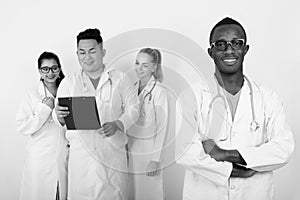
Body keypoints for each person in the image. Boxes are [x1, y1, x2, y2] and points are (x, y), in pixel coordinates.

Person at [176, 17, 294, 200]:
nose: (229, 50)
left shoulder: (267, 97)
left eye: (236, 43)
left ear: (245, 49)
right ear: (211, 51)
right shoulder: (190, 96)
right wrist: (230, 171)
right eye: (221, 44)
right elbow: (185, 152)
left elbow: (283, 148)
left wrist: (223, 154)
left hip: (255, 193)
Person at [54, 28, 139, 200]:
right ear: (77, 54)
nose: (87, 57)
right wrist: (59, 115)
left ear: (103, 51)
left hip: (112, 156)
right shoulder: (68, 83)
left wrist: (118, 124)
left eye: (92, 51)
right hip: (81, 158)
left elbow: (134, 109)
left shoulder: (120, 79)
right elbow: (59, 118)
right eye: (82, 52)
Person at [16, 51, 68, 200]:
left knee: (60, 193)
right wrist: (44, 110)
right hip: (40, 158)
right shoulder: (32, 94)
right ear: (39, 71)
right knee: (39, 194)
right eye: (45, 69)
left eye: (54, 68)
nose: (50, 73)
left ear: (59, 69)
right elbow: (22, 125)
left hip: (63, 154)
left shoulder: (67, 90)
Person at [127, 48, 169, 200]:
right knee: (133, 192)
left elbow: (163, 128)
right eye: (137, 63)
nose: (139, 68)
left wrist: (155, 159)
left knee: (149, 193)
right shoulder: (131, 88)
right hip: (131, 149)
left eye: (145, 65)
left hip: (149, 151)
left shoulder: (159, 91)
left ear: (154, 67)